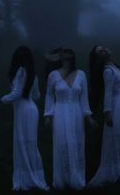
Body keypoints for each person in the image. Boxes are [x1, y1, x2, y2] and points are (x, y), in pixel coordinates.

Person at [0, 46, 49, 191]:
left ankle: (26, 179)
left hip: (23, 110)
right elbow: (37, 96)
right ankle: (34, 176)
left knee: (22, 143)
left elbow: (16, 93)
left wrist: (0, 99)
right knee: (30, 144)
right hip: (31, 109)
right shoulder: (32, 74)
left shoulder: (20, 71)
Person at [44, 47, 97, 190]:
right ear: (60, 57)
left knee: (76, 142)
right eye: (64, 52)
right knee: (61, 142)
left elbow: (84, 98)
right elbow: (49, 95)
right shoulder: (53, 75)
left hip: (76, 113)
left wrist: (88, 117)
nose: (67, 54)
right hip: (60, 111)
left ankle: (76, 177)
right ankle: (62, 178)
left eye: (70, 51)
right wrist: (48, 115)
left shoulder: (81, 75)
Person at [88, 45, 120, 186]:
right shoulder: (108, 71)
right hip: (116, 106)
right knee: (114, 138)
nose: (103, 50)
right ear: (98, 57)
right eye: (100, 50)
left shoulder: (115, 67)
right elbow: (108, 93)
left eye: (104, 48)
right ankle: (112, 171)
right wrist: (107, 112)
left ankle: (119, 170)